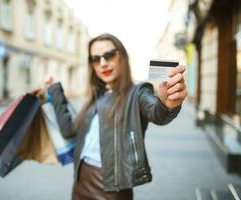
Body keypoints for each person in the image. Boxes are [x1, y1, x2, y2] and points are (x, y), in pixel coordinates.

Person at [32, 33, 187, 200]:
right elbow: (68, 131)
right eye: (96, 59)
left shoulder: (138, 92)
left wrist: (168, 104)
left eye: (109, 55)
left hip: (113, 189)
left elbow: (157, 113)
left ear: (122, 57)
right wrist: (54, 89)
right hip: (80, 182)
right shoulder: (95, 97)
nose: (103, 63)